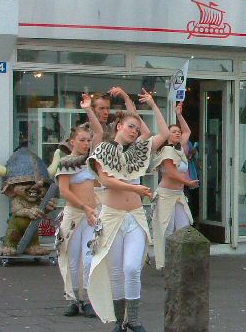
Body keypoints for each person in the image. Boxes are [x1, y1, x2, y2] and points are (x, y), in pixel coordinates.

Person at [87, 88, 168, 332]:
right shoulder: (103, 150)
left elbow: (163, 133)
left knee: (132, 268)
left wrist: (153, 104)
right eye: (130, 126)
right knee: (116, 272)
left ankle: (133, 320)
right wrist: (135, 189)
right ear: (119, 125)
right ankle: (120, 322)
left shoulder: (139, 150)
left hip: (135, 216)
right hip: (111, 216)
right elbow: (107, 181)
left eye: (137, 127)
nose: (134, 131)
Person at [55, 94, 102, 317]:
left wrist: (88, 110)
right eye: (81, 140)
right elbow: (64, 191)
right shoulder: (65, 163)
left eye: (87, 140)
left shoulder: (90, 160)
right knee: (72, 259)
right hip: (75, 216)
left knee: (89, 257)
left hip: (91, 216)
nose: (85, 143)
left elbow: (100, 132)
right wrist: (84, 207)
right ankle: (75, 299)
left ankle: (90, 299)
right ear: (72, 142)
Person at [150, 102, 198, 270]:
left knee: (184, 227)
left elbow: (187, 131)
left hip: (178, 195)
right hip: (165, 194)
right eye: (173, 131)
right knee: (166, 229)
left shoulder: (179, 149)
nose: (178, 133)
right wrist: (188, 183)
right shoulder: (165, 151)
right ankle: (166, 263)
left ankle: (181, 261)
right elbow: (170, 173)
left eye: (178, 132)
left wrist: (179, 114)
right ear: (167, 135)